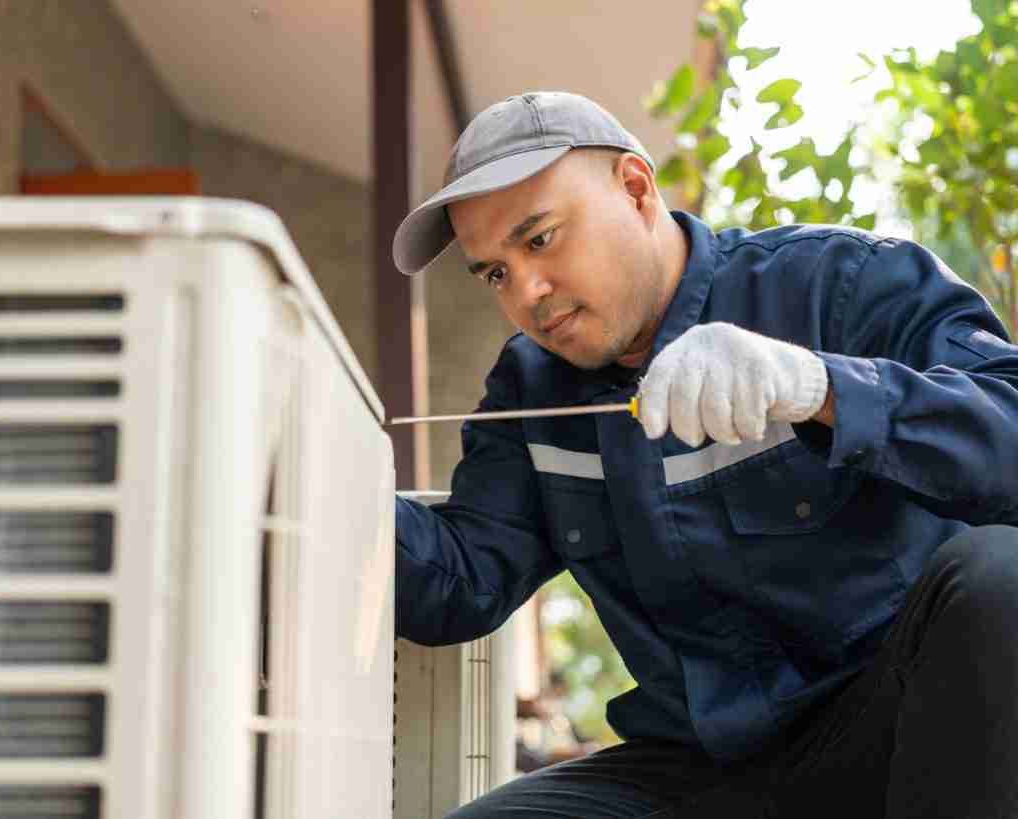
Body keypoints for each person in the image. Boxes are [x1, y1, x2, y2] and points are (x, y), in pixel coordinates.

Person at [391, 91, 1018, 818]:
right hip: (697, 766)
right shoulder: (529, 389)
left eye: (539, 240)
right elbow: (460, 579)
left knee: (1001, 575)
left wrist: (822, 387)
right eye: (495, 272)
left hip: (891, 732)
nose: (527, 292)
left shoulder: (836, 284)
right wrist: (330, 482)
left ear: (635, 188)